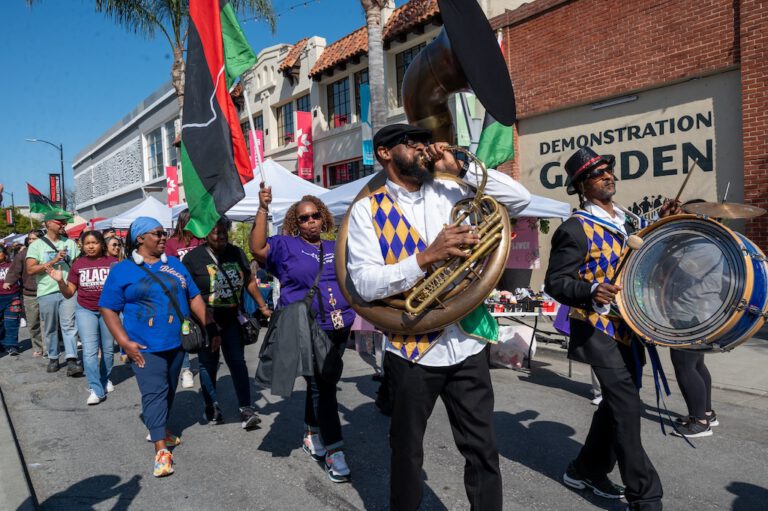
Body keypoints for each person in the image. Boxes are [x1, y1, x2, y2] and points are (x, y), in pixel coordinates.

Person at [346, 124, 531, 510]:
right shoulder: (366, 209)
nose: (423, 148)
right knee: (406, 452)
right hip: (411, 349)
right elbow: (363, 283)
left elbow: (520, 200)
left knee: (483, 450)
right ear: (384, 153)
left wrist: (461, 168)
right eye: (411, 143)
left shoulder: (452, 188)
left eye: (424, 142)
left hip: (466, 342)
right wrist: (426, 258)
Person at [544, 147, 678, 511]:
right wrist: (589, 290)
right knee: (626, 407)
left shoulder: (626, 220)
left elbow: (642, 253)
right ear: (581, 186)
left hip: (629, 327)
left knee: (617, 405)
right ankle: (646, 497)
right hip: (596, 327)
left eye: (608, 170)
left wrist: (663, 222)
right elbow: (556, 282)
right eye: (596, 173)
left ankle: (585, 469)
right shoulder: (574, 229)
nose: (607, 175)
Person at [99, 217, 219, 478]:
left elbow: (194, 297)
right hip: (143, 346)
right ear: (140, 238)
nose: (163, 237)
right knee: (154, 392)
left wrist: (210, 326)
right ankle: (161, 450)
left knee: (169, 390)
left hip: (177, 342)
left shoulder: (174, 264)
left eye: (164, 233)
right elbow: (107, 308)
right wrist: (124, 342)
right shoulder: (122, 270)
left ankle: (160, 427)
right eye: (157, 233)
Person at [250, 192, 355, 483]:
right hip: (308, 327)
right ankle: (334, 450)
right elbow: (257, 248)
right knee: (325, 386)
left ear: (323, 217)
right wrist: (262, 208)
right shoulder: (286, 246)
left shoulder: (336, 246)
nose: (310, 221)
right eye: (303, 218)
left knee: (320, 383)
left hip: (340, 325)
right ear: (296, 223)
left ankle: (311, 432)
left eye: (314, 215)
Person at [182, 216, 270, 430]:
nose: (221, 236)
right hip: (206, 321)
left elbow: (249, 282)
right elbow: (187, 293)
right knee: (208, 364)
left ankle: (246, 408)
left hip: (232, 320)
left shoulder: (236, 253)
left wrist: (262, 306)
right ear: (206, 234)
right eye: (216, 232)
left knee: (238, 363)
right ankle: (211, 405)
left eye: (224, 232)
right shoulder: (192, 259)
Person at [48, 230, 118, 405]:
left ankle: (104, 379)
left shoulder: (113, 263)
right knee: (89, 351)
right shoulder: (78, 264)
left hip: (108, 310)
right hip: (85, 310)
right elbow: (69, 293)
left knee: (108, 350)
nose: (91, 246)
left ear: (101, 244)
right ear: (82, 246)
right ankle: (96, 388)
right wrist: (60, 281)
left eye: (94, 243)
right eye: (87, 243)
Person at [25, 212, 83, 376]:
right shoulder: (36, 245)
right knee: (50, 327)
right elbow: (30, 269)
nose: (63, 225)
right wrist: (53, 261)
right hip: (46, 291)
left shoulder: (70, 243)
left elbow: (77, 265)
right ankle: (53, 357)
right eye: (60, 222)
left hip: (68, 290)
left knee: (69, 325)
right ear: (48, 223)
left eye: (64, 222)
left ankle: (71, 360)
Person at [165, 208, 204, 390]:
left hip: (202, 292)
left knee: (202, 328)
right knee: (185, 330)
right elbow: (167, 269)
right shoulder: (171, 243)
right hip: (181, 293)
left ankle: (204, 364)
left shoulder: (201, 240)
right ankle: (186, 369)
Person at [5, 230, 45, 356]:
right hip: (29, 293)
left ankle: (49, 348)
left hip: (47, 291)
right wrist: (9, 281)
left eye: (34, 238)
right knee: (33, 323)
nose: (31, 241)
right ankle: (38, 347)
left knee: (47, 322)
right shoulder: (23, 254)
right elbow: (14, 270)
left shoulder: (46, 251)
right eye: (30, 239)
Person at [0, 245, 22, 356]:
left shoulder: (12, 265)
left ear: (5, 254)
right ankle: (1, 344)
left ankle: (12, 345)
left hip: (12, 297)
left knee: (12, 322)